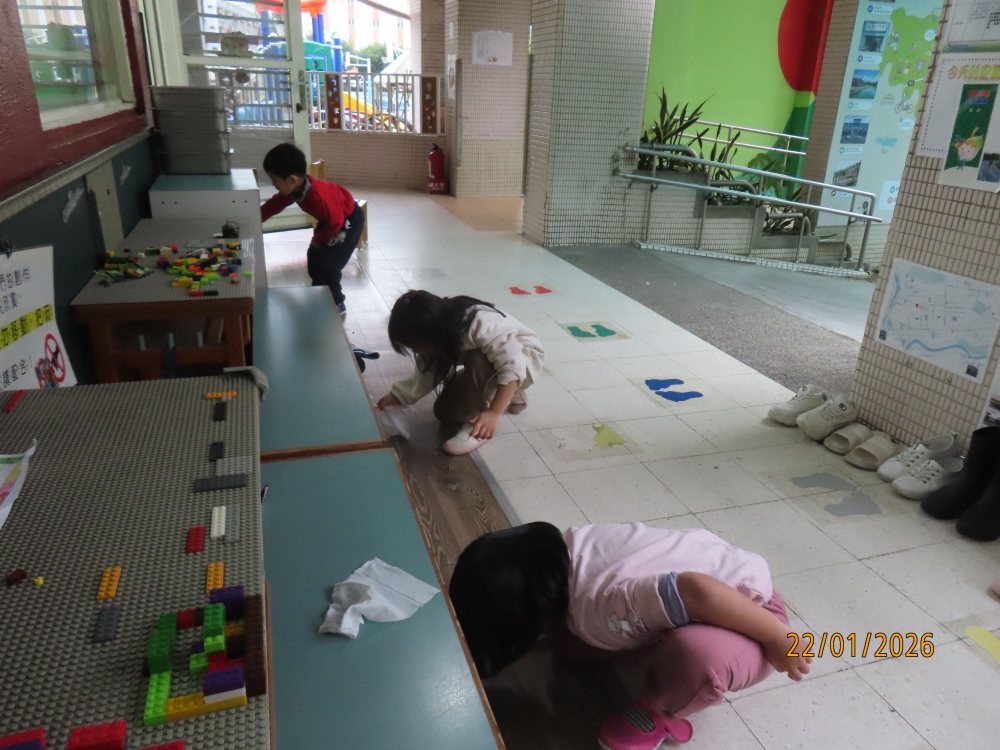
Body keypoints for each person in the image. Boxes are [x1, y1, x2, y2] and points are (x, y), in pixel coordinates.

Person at [448, 521, 812, 750]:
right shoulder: (568, 547)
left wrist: (778, 637)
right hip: (711, 577)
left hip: (751, 610)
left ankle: (658, 709)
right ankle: (658, 630)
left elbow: (697, 590)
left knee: (697, 657)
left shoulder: (598, 606)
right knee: (575, 644)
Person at [376, 290, 544, 455]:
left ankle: (479, 426)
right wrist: (400, 396)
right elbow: (427, 372)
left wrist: (493, 413)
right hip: (502, 366)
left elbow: (512, 367)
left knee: (479, 359)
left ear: (431, 334)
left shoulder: (481, 326)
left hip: (524, 361)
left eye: (415, 345)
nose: (414, 350)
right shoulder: (439, 328)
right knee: (445, 414)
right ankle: (506, 390)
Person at [260, 143, 364, 315]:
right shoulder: (296, 188)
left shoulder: (318, 198)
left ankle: (336, 302)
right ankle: (320, 293)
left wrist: (318, 238)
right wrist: (256, 217)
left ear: (292, 180)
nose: (273, 184)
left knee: (327, 263)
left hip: (348, 220)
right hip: (331, 219)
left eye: (275, 180)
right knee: (315, 256)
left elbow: (336, 222)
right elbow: (273, 205)